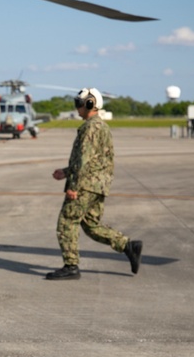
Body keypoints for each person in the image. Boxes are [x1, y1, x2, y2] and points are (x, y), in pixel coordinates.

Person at [46, 87, 142, 280]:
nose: (77, 108)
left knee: (67, 222)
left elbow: (84, 161)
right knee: (90, 225)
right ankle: (127, 245)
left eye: (79, 104)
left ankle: (71, 266)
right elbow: (91, 160)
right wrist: (65, 172)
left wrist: (73, 187)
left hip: (86, 185)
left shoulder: (91, 128)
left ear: (90, 104)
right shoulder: (100, 126)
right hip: (97, 185)